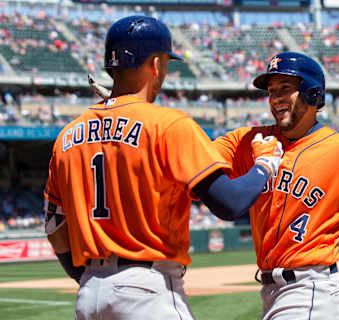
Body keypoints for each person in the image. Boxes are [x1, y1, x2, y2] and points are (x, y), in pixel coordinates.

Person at [43, 16, 283, 320]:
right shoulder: (168, 124)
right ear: (155, 64)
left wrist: (87, 278)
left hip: (90, 294)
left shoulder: (67, 136)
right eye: (166, 63)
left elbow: (54, 226)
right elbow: (230, 203)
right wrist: (265, 164)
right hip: (147, 289)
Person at [213, 52, 339, 319]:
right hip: (272, 292)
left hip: (311, 290)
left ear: (313, 94)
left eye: (285, 88)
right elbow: (198, 162)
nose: (275, 97)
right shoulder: (249, 142)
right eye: (271, 90)